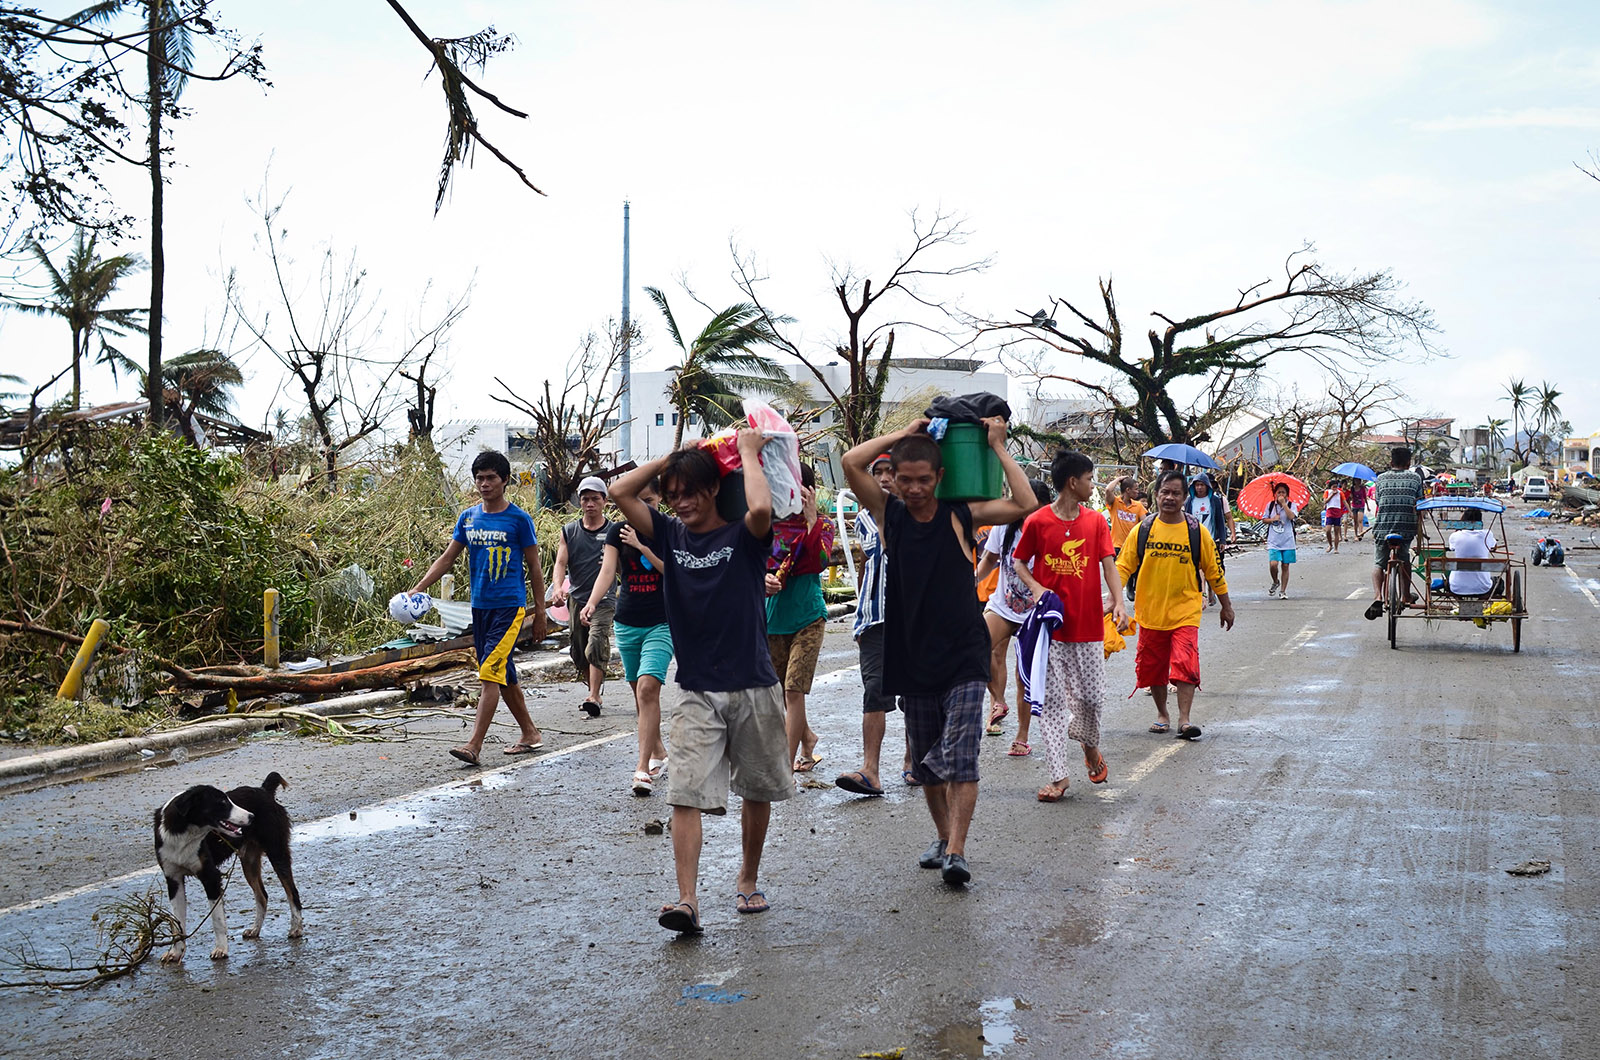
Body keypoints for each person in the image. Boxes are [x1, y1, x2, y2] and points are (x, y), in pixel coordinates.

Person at [843, 416, 1039, 887]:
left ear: (941, 476)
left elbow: (1026, 503)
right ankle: (941, 835)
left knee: (962, 756)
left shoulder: (961, 514)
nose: (914, 489)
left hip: (964, 652)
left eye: (924, 480)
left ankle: (956, 851)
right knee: (928, 768)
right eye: (905, 480)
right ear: (894, 477)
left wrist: (997, 446)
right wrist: (906, 432)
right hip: (912, 656)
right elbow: (851, 462)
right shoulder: (888, 514)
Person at [610, 431, 791, 934]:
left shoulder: (743, 536)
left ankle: (747, 877)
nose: (681, 502)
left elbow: (761, 508)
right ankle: (687, 900)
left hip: (753, 683)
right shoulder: (669, 534)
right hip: (695, 688)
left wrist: (747, 452)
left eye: (691, 492)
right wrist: (672, 459)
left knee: (756, 789)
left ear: (713, 489)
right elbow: (621, 491)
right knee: (684, 792)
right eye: (673, 494)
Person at [409, 451, 548, 766]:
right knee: (503, 673)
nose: (484, 484)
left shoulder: (519, 519)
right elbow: (448, 558)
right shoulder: (468, 518)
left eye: (491, 478)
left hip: (509, 608)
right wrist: (419, 587)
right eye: (479, 478)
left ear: (505, 480)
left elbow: (535, 568)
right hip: (480, 608)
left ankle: (474, 745)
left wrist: (540, 612)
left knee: (488, 674)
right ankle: (530, 733)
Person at [1012, 450, 1128, 802]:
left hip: (1089, 624)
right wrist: (1037, 588)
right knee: (1051, 703)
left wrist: (1119, 601)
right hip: (1050, 629)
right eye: (1090, 479)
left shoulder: (1095, 522)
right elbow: (1019, 562)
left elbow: (1109, 564)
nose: (1093, 486)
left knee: (1091, 698)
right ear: (1072, 482)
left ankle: (1089, 745)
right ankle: (1059, 777)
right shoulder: (1038, 521)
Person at [1117, 470, 1235, 740]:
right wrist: (1114, 600)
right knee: (1153, 668)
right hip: (1150, 613)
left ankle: (1184, 719)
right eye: (1165, 492)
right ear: (1156, 494)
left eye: (1176, 493)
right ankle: (1162, 715)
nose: (1169, 497)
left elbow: (1214, 571)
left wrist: (1226, 605)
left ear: (1184, 498)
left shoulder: (1196, 532)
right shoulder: (1143, 529)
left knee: (1185, 662)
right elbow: (1123, 566)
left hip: (1186, 611)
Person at [589, 478, 672, 795]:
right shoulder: (617, 531)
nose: (641, 508)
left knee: (649, 689)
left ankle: (641, 767)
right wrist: (592, 603)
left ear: (659, 499)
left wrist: (641, 547)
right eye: (635, 501)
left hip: (661, 622)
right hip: (627, 622)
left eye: (648, 501)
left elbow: (673, 571)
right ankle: (659, 751)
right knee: (641, 695)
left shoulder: (668, 529)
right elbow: (607, 571)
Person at [836, 454, 909, 797]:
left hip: (911, 619)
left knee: (915, 695)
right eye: (877, 472)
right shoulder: (864, 518)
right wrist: (861, 617)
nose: (883, 478)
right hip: (874, 619)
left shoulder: (917, 514)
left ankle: (913, 760)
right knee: (874, 692)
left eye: (890, 471)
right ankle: (871, 770)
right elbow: (870, 560)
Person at [763, 463, 835, 775]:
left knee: (794, 691)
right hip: (773, 620)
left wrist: (811, 521)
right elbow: (749, 566)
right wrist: (762, 579)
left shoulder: (824, 524)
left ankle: (785, 767)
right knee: (780, 694)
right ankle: (807, 737)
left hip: (809, 618)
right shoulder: (766, 526)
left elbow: (818, 562)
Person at [974, 480, 1053, 754]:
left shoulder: (1049, 531)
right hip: (1003, 606)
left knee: (1024, 676)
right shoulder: (1005, 526)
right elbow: (990, 559)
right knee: (975, 646)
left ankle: (1022, 736)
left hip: (1034, 613)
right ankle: (998, 700)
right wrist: (973, 580)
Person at [553, 477, 616, 717]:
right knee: (579, 650)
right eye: (585, 499)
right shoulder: (570, 531)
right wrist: (558, 587)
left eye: (595, 499)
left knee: (596, 642)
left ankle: (594, 696)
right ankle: (592, 688)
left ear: (604, 501)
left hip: (604, 600)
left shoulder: (613, 532)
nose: (590, 504)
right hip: (577, 598)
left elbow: (621, 567)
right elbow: (561, 563)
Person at [1364, 447, 1426, 621]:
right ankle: (1405, 595)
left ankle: (1378, 597)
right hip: (1406, 528)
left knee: (1379, 563)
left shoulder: (1381, 478)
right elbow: (1420, 503)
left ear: (1391, 462)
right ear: (1408, 463)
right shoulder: (1415, 478)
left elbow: (1378, 501)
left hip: (1382, 528)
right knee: (1404, 559)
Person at [1185, 474, 1235, 608]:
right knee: (1198, 568)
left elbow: (1220, 520)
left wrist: (1223, 539)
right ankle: (1202, 595)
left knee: (1211, 568)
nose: (1199, 488)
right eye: (1197, 485)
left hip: (1211, 540)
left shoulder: (1214, 501)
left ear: (1207, 486)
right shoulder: (1189, 501)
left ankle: (1211, 591)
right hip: (1194, 539)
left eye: (1202, 485)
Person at [1447, 507, 1497, 596]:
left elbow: (1452, 547)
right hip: (1484, 587)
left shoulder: (1455, 536)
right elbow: (1494, 546)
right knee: (1498, 582)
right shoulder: (1487, 534)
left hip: (1456, 586)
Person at [1263, 482, 1299, 599]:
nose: (1281, 494)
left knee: (1285, 565)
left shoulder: (1292, 505)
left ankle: (1283, 591)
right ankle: (1275, 581)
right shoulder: (1270, 505)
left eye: (1283, 492)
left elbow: (1292, 517)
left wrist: (1284, 504)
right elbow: (1264, 519)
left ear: (1287, 494)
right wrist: (1272, 519)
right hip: (1273, 540)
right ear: (1275, 494)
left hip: (1288, 540)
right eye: (1279, 492)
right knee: (1273, 564)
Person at [1103, 476, 1148, 557]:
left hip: (1131, 547)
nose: (1137, 492)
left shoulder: (1138, 505)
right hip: (1116, 547)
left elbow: (1145, 525)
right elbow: (1108, 490)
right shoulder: (1115, 502)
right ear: (1128, 490)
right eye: (1136, 489)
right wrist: (1118, 479)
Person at [1322, 480, 1348, 553]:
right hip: (1329, 512)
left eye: (1336, 487)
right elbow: (1325, 501)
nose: (1335, 488)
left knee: (1336, 531)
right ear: (1330, 487)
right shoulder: (1327, 492)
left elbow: (1345, 502)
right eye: (1333, 487)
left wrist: (1350, 511)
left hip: (1337, 512)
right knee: (1328, 530)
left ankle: (1336, 548)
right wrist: (1332, 495)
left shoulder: (1340, 493)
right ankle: (1330, 545)